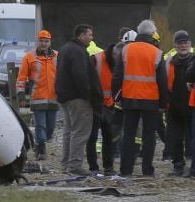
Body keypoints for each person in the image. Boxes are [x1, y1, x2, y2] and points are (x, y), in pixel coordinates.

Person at [113, 20, 169, 177]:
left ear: (138, 33)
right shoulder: (157, 53)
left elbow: (117, 76)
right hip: (151, 100)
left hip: (129, 98)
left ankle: (125, 169)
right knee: (149, 135)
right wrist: (163, 103)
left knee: (128, 133)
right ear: (152, 34)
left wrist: (116, 96)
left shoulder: (126, 50)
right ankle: (147, 170)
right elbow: (162, 81)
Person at [56, 24, 103, 175]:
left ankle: (66, 165)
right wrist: (88, 95)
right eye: (90, 35)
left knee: (69, 131)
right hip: (78, 98)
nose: (92, 37)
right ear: (81, 35)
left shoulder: (65, 49)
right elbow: (80, 75)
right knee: (80, 132)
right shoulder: (78, 51)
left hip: (65, 97)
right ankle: (75, 166)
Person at [16, 30, 59, 160]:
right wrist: (21, 96)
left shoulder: (57, 56)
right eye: (41, 41)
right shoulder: (29, 57)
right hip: (37, 97)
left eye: (46, 41)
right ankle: (41, 150)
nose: (44, 43)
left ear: (50, 42)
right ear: (37, 41)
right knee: (41, 126)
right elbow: (21, 78)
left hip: (54, 98)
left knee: (51, 128)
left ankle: (39, 143)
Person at [166, 31, 194, 175]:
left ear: (190, 44)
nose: (183, 45)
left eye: (185, 43)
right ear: (175, 45)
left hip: (192, 107)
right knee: (175, 139)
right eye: (180, 43)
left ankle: (193, 168)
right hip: (174, 107)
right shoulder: (169, 62)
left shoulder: (194, 61)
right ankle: (178, 166)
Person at [87, 41, 118, 173]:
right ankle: (93, 167)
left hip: (110, 105)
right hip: (95, 105)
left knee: (109, 137)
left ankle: (108, 167)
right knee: (92, 137)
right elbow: (85, 78)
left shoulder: (120, 61)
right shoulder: (96, 59)